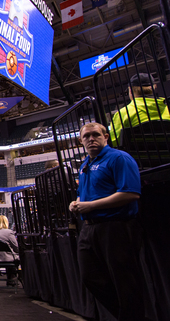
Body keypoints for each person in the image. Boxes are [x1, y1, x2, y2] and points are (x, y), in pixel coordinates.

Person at [69, 122, 147, 320]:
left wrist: (91, 206)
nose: (91, 139)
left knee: (125, 280)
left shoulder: (118, 158)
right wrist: (76, 203)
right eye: (86, 136)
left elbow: (130, 193)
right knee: (90, 277)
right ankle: (126, 315)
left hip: (117, 226)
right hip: (89, 228)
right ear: (81, 141)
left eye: (96, 135)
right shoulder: (85, 164)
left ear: (106, 136)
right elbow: (82, 194)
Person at [109, 73, 170, 147]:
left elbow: (114, 143)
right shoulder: (167, 107)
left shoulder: (124, 113)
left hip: (138, 158)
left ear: (130, 91)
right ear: (154, 87)